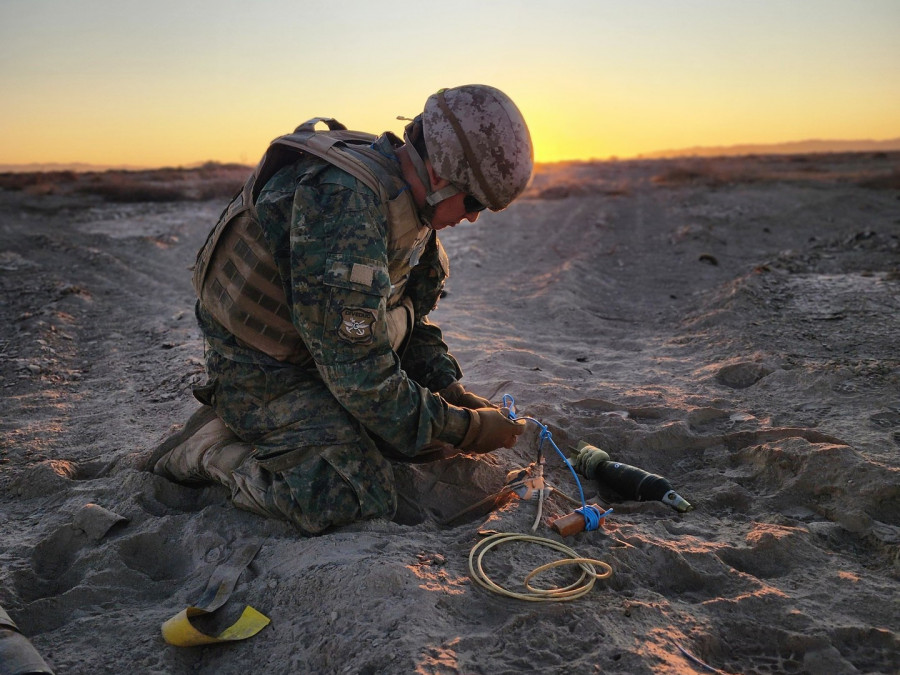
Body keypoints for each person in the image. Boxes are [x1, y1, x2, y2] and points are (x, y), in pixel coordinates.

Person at [147, 85, 534, 534]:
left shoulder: (407, 203)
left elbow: (407, 315)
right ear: (439, 171)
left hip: (325, 355)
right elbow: (361, 378)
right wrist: (462, 427)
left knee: (422, 444)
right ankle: (210, 449)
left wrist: (448, 390)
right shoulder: (343, 205)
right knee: (351, 492)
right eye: (473, 202)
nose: (472, 218)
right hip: (260, 369)